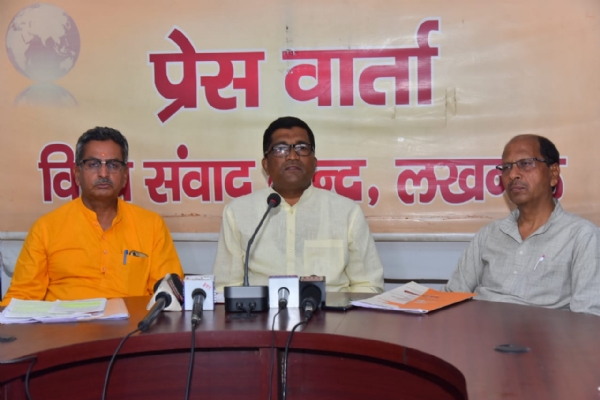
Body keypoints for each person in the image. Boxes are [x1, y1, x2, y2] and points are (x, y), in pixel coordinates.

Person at [1, 127, 183, 306]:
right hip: (65, 325)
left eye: (113, 165)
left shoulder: (151, 225)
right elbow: (21, 299)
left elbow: (169, 294)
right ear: (77, 174)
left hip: (133, 324)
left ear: (125, 176)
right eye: (93, 164)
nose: (103, 173)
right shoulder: (46, 228)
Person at [212, 117, 384, 293]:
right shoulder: (237, 212)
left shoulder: (347, 213)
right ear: (266, 164)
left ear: (314, 162)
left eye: (302, 148)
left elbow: (368, 286)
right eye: (281, 149)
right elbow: (225, 289)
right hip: (262, 311)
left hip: (331, 309)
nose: (293, 156)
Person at [443, 134, 600, 315]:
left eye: (525, 163)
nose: (513, 174)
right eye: (507, 167)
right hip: (479, 327)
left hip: (542, 332)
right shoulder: (489, 234)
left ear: (553, 173)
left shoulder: (582, 236)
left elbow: (588, 318)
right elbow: (451, 297)